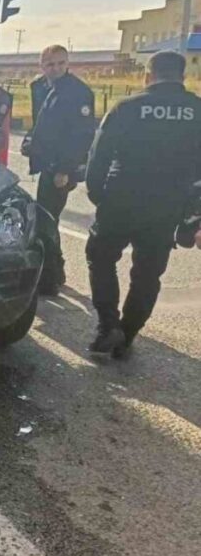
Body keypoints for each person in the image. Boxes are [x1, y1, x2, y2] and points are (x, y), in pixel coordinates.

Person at [85, 51, 201, 358]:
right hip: (167, 206)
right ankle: (128, 333)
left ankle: (108, 324)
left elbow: (98, 157)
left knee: (101, 256)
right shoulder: (198, 111)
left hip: (121, 200)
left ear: (147, 77)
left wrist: (98, 195)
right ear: (183, 77)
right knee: (148, 274)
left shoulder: (127, 107)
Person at [22, 45, 97, 295]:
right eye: (50, 64)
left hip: (61, 167)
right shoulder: (40, 87)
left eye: (60, 63)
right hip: (44, 161)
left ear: (67, 63)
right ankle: (54, 270)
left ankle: (51, 276)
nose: (55, 69)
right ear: (41, 65)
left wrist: (66, 169)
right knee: (45, 218)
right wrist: (30, 141)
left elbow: (81, 136)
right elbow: (40, 122)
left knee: (47, 219)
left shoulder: (78, 92)